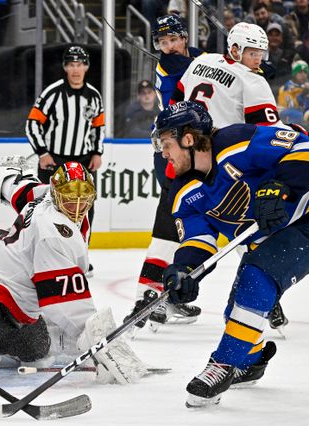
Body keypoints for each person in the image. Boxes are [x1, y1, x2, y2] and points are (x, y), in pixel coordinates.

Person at [154, 101, 309, 408]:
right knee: (237, 312)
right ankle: (252, 361)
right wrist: (184, 270)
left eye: (166, 144)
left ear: (188, 139)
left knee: (255, 279)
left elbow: (307, 150)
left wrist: (280, 186)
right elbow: (199, 239)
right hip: (265, 241)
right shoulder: (182, 191)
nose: (163, 153)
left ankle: (224, 364)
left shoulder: (236, 141)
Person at [0, 158, 144, 382]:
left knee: (38, 348)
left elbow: (16, 187)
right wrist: (102, 346)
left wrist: (5, 177)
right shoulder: (53, 232)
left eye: (84, 200)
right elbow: (66, 304)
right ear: (56, 194)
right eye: (70, 200)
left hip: (18, 306)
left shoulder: (42, 194)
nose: (78, 207)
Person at [172, 22, 296, 330]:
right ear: (236, 49)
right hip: (234, 162)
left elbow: (175, 101)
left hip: (193, 156)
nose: (258, 59)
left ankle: (171, 281)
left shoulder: (201, 62)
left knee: (197, 222)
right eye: (253, 53)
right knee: (253, 231)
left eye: (261, 53)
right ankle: (263, 298)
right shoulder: (252, 82)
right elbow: (270, 133)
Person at [125, 14, 204, 332]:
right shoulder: (168, 67)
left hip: (195, 152)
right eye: (162, 42)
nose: (167, 47)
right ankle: (148, 295)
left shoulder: (200, 58)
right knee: (172, 227)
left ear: (185, 38)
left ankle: (171, 293)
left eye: (172, 40)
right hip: (175, 155)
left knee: (192, 229)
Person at [25, 45, 103, 251]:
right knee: (46, 207)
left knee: (85, 207)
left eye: (79, 65)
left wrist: (97, 152)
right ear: (65, 68)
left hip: (83, 161)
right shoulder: (52, 93)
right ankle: (43, 250)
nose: (75, 69)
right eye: (71, 65)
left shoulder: (94, 96)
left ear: (86, 67)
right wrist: (42, 152)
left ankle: (80, 251)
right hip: (54, 161)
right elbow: (32, 123)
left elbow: (98, 127)